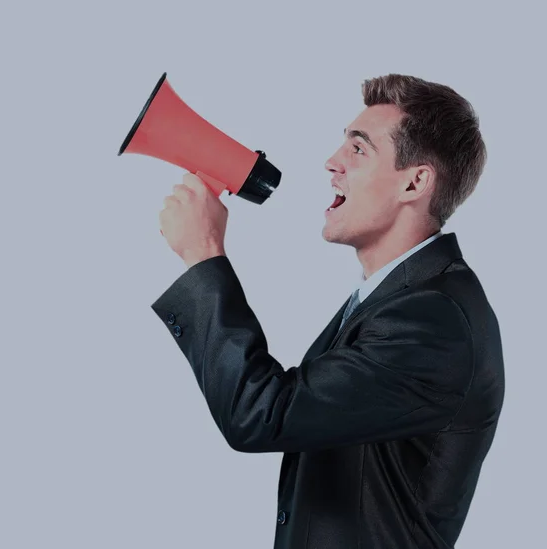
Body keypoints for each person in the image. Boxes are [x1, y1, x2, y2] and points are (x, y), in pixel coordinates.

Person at [151, 74, 505, 549]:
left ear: (416, 181)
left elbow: (260, 414)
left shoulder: (433, 320)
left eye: (358, 149)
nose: (332, 163)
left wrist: (204, 257)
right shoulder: (396, 299)